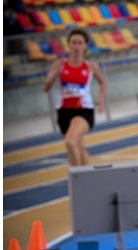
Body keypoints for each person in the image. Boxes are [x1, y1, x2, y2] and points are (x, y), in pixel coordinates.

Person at [42, 28, 106, 166]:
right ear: (69, 45)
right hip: (64, 112)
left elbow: (102, 82)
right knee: (79, 149)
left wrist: (101, 100)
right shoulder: (59, 65)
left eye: (80, 43)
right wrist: (52, 77)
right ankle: (87, 181)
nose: (77, 46)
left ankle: (76, 178)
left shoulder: (91, 66)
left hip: (83, 111)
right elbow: (46, 88)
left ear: (85, 46)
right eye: (74, 42)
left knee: (70, 142)